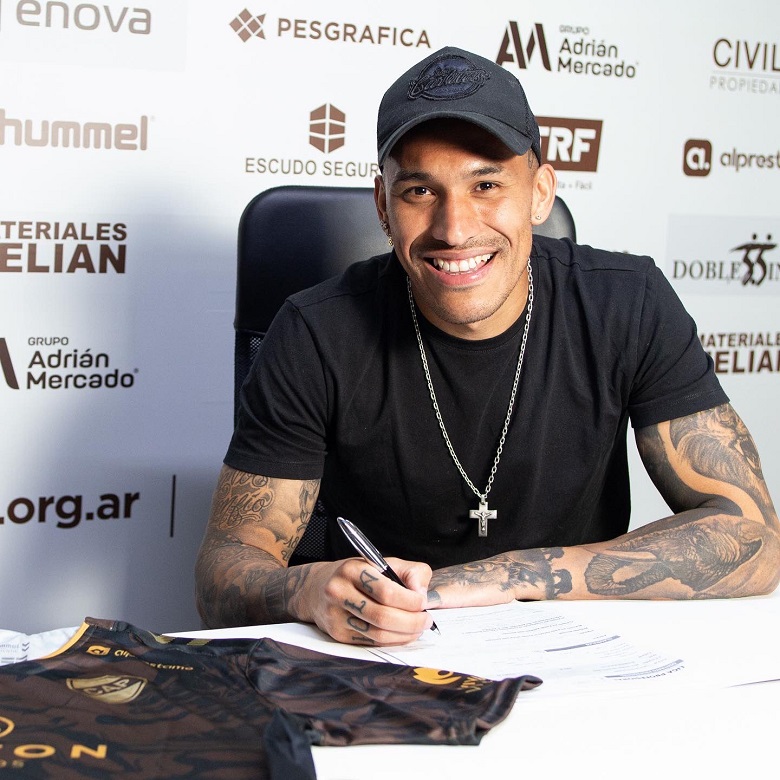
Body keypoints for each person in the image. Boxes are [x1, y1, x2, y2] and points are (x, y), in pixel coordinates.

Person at [195, 46, 780, 646]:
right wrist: (306, 589)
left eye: (486, 184)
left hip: (578, 651)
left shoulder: (629, 302)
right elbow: (222, 574)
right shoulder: (314, 332)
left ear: (540, 193)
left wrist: (498, 579)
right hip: (384, 653)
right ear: (383, 207)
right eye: (419, 191)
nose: (454, 228)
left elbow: (753, 538)